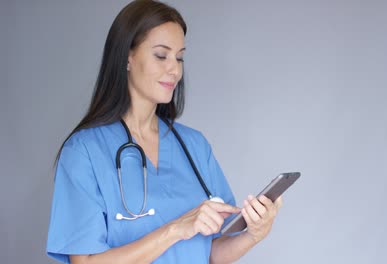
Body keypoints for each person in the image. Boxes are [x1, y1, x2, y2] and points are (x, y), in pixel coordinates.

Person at [46, 0, 283, 263]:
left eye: (180, 57)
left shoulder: (193, 146)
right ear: (127, 57)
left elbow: (211, 253)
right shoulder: (84, 152)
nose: (175, 69)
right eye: (161, 55)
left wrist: (253, 234)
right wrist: (175, 230)